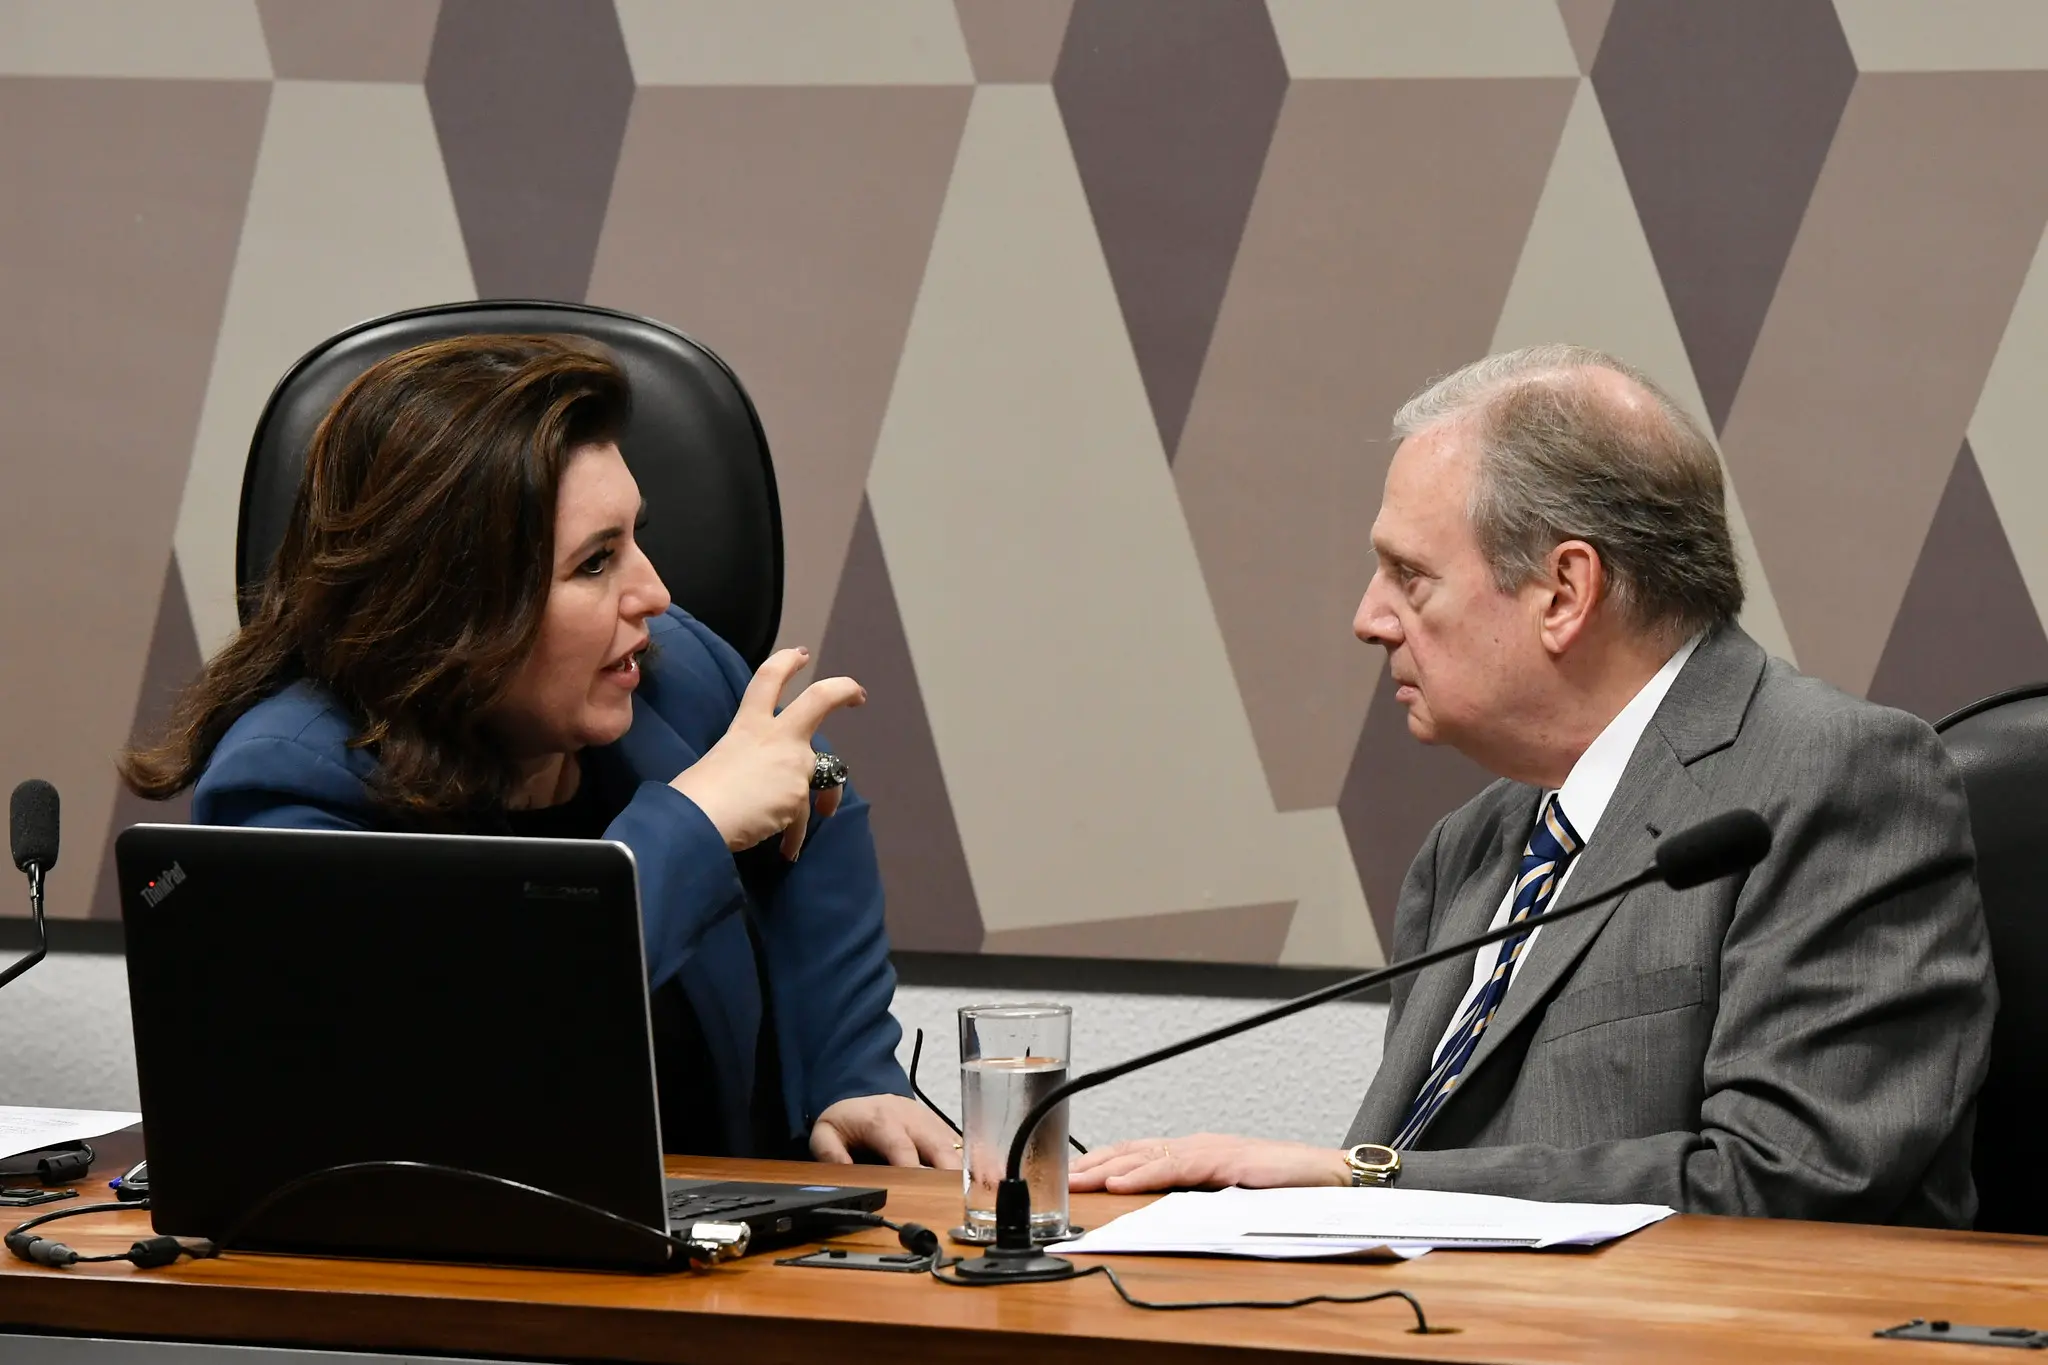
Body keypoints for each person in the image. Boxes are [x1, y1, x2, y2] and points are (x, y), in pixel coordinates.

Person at [1072, 344, 1996, 1225]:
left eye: (1409, 575)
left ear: (1564, 592)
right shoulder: (1471, 844)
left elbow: (1789, 1182)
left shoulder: (1836, 778)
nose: (1368, 618)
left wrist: (1357, 1177)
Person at [122, 334, 958, 1170]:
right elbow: (451, 1056)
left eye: (635, 537)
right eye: (595, 562)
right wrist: (691, 825)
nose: (655, 593)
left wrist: (846, 1073)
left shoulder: (674, 673)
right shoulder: (291, 785)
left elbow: (817, 818)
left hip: (720, 1228)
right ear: (451, 605)